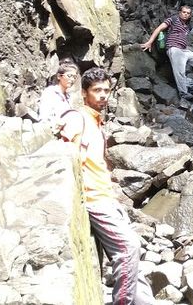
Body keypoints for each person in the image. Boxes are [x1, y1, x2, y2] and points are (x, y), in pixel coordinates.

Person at [57, 68, 156, 305]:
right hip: (93, 199)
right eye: (97, 90)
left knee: (134, 261)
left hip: (105, 197)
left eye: (106, 90)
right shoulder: (76, 117)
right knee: (128, 248)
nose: (103, 95)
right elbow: (65, 153)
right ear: (84, 93)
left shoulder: (95, 120)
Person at [142, 6, 193, 101]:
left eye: (188, 13)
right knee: (180, 71)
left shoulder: (187, 26)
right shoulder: (173, 19)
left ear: (190, 16)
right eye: (184, 12)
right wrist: (149, 42)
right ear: (180, 12)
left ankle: (192, 86)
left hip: (184, 50)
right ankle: (184, 93)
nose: (185, 14)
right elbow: (159, 29)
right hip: (174, 49)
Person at [39, 59, 79, 128]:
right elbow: (44, 117)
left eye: (74, 77)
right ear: (59, 76)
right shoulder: (50, 92)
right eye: (69, 76)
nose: (72, 79)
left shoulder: (69, 97)